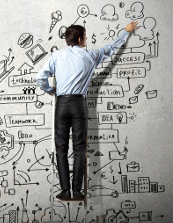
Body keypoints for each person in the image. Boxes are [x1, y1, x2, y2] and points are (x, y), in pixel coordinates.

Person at [36, 21, 139, 200]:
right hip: (78, 104)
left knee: (61, 148)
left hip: (61, 103)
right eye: (85, 36)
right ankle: (77, 191)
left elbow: (40, 77)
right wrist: (125, 32)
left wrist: (50, 90)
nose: (86, 39)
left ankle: (65, 190)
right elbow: (111, 48)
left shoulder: (57, 56)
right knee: (80, 148)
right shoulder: (91, 55)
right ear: (80, 38)